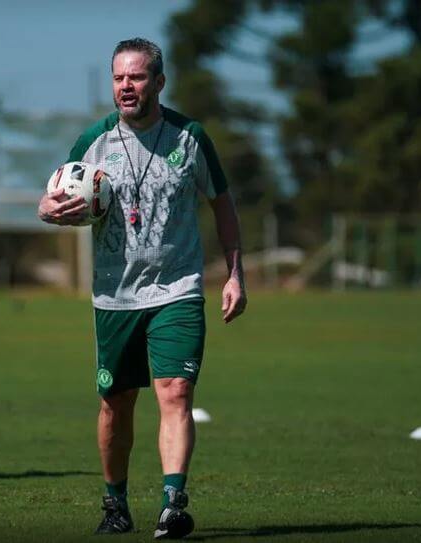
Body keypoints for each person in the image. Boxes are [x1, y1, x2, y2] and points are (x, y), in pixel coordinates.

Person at [38, 38, 247, 539]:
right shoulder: (94, 140)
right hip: (114, 295)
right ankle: (115, 504)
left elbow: (221, 203)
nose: (125, 87)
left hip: (178, 288)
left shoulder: (190, 137)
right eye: (118, 78)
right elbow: (51, 199)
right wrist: (48, 211)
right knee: (117, 403)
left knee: (175, 392)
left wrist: (236, 272)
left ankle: (173, 504)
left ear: (158, 81)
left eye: (135, 77)